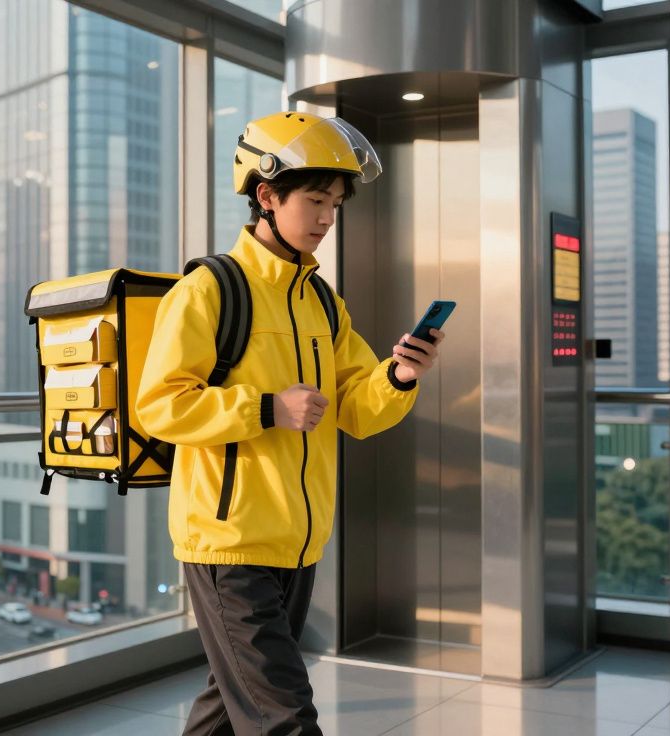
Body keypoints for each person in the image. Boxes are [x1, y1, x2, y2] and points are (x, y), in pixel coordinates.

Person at [135, 111, 445, 735]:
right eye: (315, 200)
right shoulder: (208, 291)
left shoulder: (322, 302)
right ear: (266, 195)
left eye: (335, 203)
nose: (328, 218)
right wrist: (267, 408)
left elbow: (355, 406)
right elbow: (160, 405)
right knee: (285, 716)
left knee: (231, 705)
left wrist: (399, 376)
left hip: (297, 542)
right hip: (230, 542)